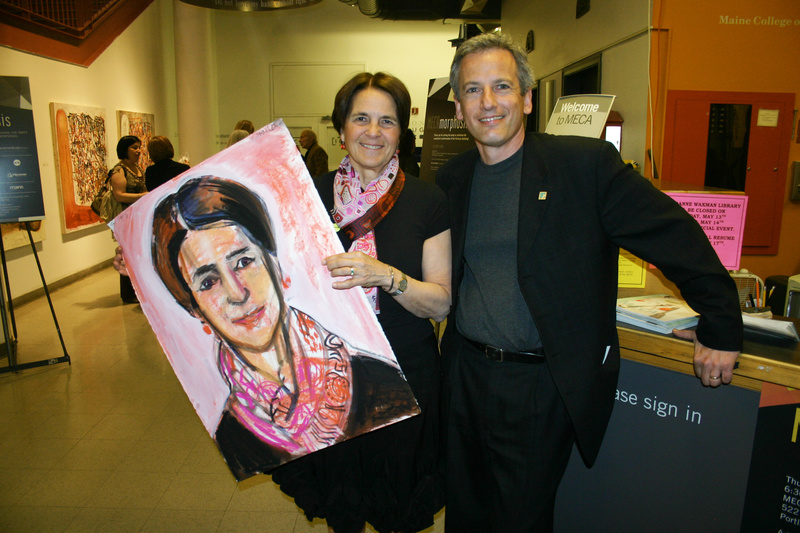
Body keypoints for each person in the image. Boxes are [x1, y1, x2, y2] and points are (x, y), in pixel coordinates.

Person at [436, 33, 743, 532]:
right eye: (472, 90)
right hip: (465, 377)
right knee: (465, 515)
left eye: (501, 87)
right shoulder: (451, 179)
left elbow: (675, 236)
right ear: (457, 104)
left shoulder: (583, 166)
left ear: (528, 98)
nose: (488, 103)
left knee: (520, 520)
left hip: (539, 385)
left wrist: (721, 324)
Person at [272, 72, 451, 533]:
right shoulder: (306, 194)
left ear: (401, 132)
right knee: (344, 502)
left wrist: (386, 277)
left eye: (387, 121)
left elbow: (441, 304)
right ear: (342, 127)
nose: (374, 132)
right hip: (328, 374)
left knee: (398, 504)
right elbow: (258, 266)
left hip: (406, 374)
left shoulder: (428, 200)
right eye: (362, 118)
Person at [150, 176, 418, 480]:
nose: (237, 293)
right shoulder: (233, 437)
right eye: (208, 282)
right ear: (194, 309)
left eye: (243, 262)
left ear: (274, 265)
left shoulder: (380, 382)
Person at [110, 135, 147, 303]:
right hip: (126, 219)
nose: (138, 151)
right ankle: (128, 293)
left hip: (139, 217)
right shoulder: (119, 170)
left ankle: (139, 289)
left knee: (138, 253)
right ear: (124, 149)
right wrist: (142, 196)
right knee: (127, 254)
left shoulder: (136, 168)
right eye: (134, 147)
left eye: (139, 147)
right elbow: (119, 196)